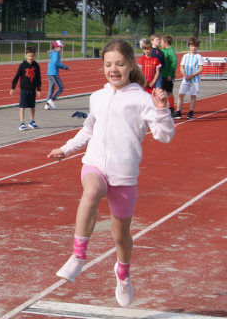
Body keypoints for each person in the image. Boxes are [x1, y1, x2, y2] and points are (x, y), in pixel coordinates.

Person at [47, 40, 175, 308]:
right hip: (94, 164)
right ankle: (78, 257)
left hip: (124, 176)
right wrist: (66, 149)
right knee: (91, 190)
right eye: (108, 64)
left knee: (120, 237)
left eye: (119, 64)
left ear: (130, 65)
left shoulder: (142, 99)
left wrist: (162, 109)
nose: (113, 69)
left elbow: (164, 137)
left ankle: (123, 273)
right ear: (103, 66)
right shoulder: (98, 97)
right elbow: (88, 130)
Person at [171, 37, 204, 120]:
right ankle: (178, 112)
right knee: (180, 95)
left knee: (193, 96)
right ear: (189, 46)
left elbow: (201, 68)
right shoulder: (185, 56)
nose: (194, 48)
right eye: (192, 46)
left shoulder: (198, 56)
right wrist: (185, 75)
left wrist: (192, 75)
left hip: (195, 80)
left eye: (195, 46)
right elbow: (182, 67)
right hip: (186, 79)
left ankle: (191, 112)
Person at [10, 46, 42, 130]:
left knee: (32, 106)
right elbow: (17, 77)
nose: (30, 57)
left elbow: (38, 78)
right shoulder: (22, 65)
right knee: (22, 106)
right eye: (29, 56)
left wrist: (38, 89)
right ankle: (21, 123)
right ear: (26, 55)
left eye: (32, 56)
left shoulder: (36, 66)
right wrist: (13, 87)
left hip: (32, 90)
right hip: (24, 90)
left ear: (35, 55)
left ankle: (32, 121)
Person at [45, 40, 70, 110]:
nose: (61, 49)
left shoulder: (52, 53)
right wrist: (65, 67)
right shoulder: (56, 53)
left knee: (51, 88)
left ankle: (47, 104)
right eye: (60, 47)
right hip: (53, 73)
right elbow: (56, 62)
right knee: (61, 87)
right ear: (56, 47)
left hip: (49, 73)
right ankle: (51, 100)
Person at [160, 35, 178, 114]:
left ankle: (171, 108)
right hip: (161, 75)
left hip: (168, 76)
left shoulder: (171, 51)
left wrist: (170, 74)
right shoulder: (162, 51)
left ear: (166, 43)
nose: (160, 43)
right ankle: (161, 107)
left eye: (161, 42)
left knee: (169, 92)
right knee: (160, 92)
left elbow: (174, 63)